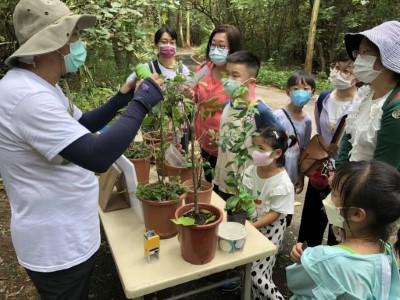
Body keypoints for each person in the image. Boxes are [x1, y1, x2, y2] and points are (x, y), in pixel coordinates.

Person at [0, 0, 164, 299]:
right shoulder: (27, 98)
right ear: (56, 43)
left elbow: (82, 125)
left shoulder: (43, 87)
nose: (78, 43)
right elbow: (96, 155)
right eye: (74, 35)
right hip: (55, 245)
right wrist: (142, 103)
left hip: (66, 233)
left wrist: (120, 100)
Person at [287, 160, 400, 299]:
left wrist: (302, 260)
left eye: (334, 193)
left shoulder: (322, 258)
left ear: (357, 214)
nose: (329, 197)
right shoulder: (386, 251)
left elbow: (296, 283)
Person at [297, 50, 357, 247]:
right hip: (320, 171)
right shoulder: (324, 98)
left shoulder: (362, 103)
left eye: (347, 70)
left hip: (344, 175)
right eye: (337, 68)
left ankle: (330, 265)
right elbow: (321, 134)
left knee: (338, 226)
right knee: (311, 222)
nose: (339, 73)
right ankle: (304, 260)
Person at [214, 51, 282, 201]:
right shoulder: (227, 105)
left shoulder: (260, 111)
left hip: (246, 188)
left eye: (235, 76)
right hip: (223, 180)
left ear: (251, 82)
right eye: (227, 74)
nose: (229, 80)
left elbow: (281, 139)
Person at [336, 21, 400, 170]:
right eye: (357, 52)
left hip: (370, 189)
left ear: (387, 59)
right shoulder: (365, 94)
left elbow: (383, 171)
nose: (357, 59)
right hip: (349, 182)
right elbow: (349, 136)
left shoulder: (395, 106)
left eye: (365, 52)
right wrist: (339, 172)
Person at [242, 126, 295, 300]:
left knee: (258, 274)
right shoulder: (251, 171)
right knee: (249, 268)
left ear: (277, 153)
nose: (255, 152)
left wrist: (252, 226)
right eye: (254, 146)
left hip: (270, 230)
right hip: (252, 223)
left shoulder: (282, 183)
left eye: (261, 149)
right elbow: (244, 196)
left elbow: (276, 213)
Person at [193, 24, 242, 190]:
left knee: (226, 191)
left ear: (232, 48)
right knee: (208, 186)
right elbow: (194, 95)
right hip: (204, 143)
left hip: (227, 149)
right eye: (213, 45)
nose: (216, 49)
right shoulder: (203, 69)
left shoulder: (237, 76)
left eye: (222, 46)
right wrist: (186, 92)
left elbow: (248, 108)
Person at [273, 71, 314, 194]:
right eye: (296, 88)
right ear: (288, 92)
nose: (300, 92)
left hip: (292, 174)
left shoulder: (307, 121)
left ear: (312, 93)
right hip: (275, 172)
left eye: (305, 89)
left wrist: (300, 176)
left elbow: (303, 149)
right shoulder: (277, 116)